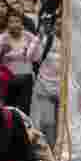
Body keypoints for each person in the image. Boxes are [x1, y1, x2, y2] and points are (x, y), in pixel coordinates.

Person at [0, 11, 40, 114]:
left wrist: (30, 51)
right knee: (8, 110)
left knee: (24, 110)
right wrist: (2, 52)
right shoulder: (1, 38)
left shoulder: (30, 37)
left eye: (17, 21)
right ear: (7, 24)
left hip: (26, 79)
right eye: (11, 22)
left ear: (22, 23)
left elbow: (36, 59)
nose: (14, 24)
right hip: (7, 80)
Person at [31, 15, 62, 151]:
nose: (60, 27)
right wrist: (38, 38)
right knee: (47, 124)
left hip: (65, 90)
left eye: (63, 24)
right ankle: (49, 154)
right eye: (57, 24)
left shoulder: (76, 42)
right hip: (45, 88)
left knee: (64, 126)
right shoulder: (47, 40)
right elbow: (32, 57)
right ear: (53, 26)